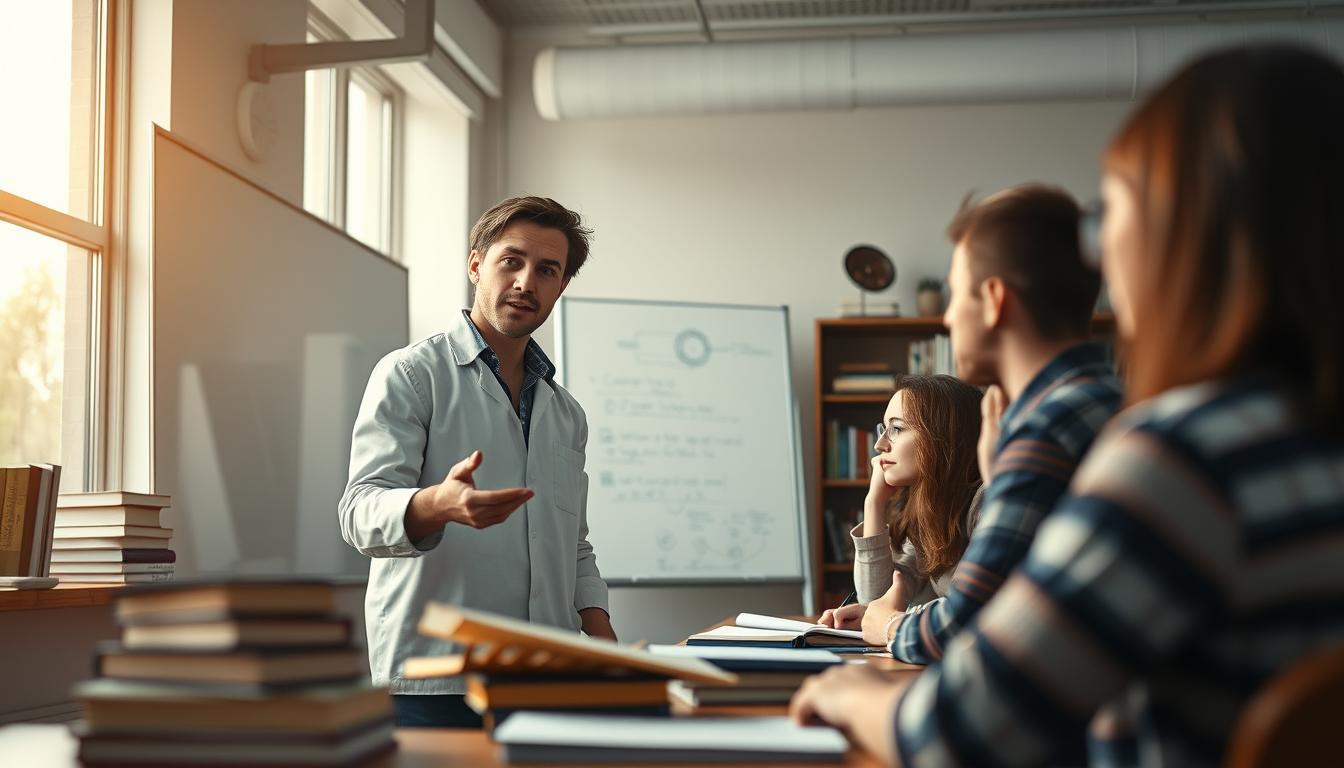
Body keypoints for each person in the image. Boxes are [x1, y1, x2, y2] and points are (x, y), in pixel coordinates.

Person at [791, 44, 1344, 767]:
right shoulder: (1296, 438)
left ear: (1178, 234)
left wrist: (844, 691)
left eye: (1110, 212)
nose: (1102, 254)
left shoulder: (1183, 458)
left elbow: (964, 728)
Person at [338, 196, 615, 729]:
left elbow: (572, 545)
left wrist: (607, 646)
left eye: (547, 270)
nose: (525, 282)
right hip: (436, 678)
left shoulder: (566, 413)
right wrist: (436, 504)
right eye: (511, 261)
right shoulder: (411, 375)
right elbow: (358, 511)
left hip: (547, 674)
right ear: (475, 265)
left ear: (561, 287)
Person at [827, 184, 1123, 661]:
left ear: (993, 299)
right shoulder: (1094, 409)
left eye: (955, 294)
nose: (946, 316)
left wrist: (889, 630)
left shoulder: (1049, 431)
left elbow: (982, 627)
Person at [818, 375, 984, 645]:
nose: (880, 445)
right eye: (882, 429)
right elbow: (879, 598)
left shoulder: (985, 503)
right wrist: (873, 503)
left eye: (896, 429)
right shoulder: (927, 510)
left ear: (941, 437)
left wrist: (894, 619)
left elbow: (973, 611)